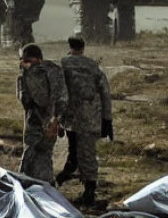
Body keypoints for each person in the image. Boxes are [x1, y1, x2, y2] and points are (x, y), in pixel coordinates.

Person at [56, 34, 113, 207]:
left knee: (74, 148)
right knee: (87, 153)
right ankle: (88, 190)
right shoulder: (93, 66)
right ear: (83, 48)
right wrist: (107, 119)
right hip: (91, 117)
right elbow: (105, 92)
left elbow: (60, 92)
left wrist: (57, 117)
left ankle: (64, 178)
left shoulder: (63, 64)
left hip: (71, 117)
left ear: (69, 46)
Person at [17, 43, 67, 183]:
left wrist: (28, 74)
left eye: (28, 60)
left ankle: (30, 186)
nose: (24, 63)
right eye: (22, 60)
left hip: (43, 121)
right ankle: (43, 187)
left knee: (35, 156)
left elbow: (42, 98)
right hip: (42, 120)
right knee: (38, 156)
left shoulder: (41, 72)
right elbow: (24, 100)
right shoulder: (52, 70)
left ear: (38, 59)